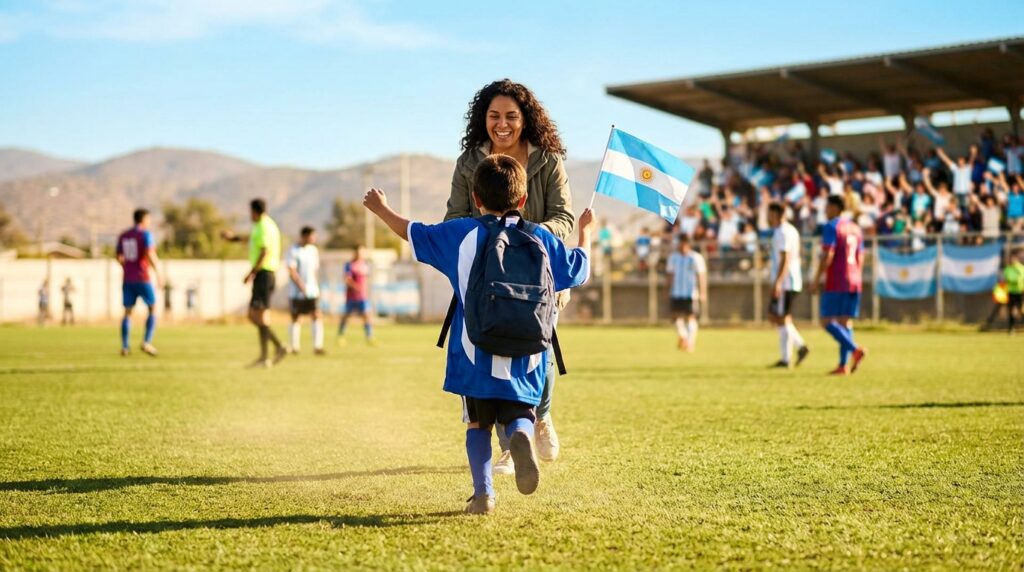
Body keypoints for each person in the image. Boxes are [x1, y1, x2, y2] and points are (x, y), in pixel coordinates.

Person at [362, 154, 593, 515]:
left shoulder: (462, 234)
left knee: (478, 423)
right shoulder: (542, 238)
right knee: (521, 412)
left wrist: (381, 208)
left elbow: (411, 231)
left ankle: (484, 495)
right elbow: (579, 271)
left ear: (475, 197)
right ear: (522, 199)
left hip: (473, 353)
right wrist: (587, 232)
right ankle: (520, 433)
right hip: (527, 354)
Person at [444, 79, 573, 470]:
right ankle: (509, 444)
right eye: (494, 116)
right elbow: (454, 216)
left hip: (538, 272)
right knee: (490, 355)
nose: (502, 124)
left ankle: (541, 417)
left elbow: (563, 216)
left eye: (511, 116)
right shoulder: (469, 161)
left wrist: (529, 236)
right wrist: (486, 237)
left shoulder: (548, 160)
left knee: (541, 349)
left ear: (525, 118)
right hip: (485, 276)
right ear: (483, 118)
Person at [221, 199, 286, 368]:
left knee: (258, 315)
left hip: (264, 274)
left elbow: (264, 251)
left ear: (255, 211)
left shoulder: (264, 226)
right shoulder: (262, 225)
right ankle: (272, 351)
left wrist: (251, 273)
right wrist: (233, 238)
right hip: (264, 274)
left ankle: (272, 352)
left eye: (250, 212)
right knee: (255, 315)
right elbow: (250, 239)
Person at [811, 196, 867, 375]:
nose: (825, 211)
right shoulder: (856, 228)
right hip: (854, 280)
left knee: (826, 321)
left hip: (837, 280)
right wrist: (857, 276)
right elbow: (861, 257)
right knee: (845, 322)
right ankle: (843, 365)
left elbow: (828, 255)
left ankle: (855, 349)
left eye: (827, 207)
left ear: (835, 207)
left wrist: (816, 278)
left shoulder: (832, 226)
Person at [767, 202, 809, 368]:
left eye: (770, 214)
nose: (768, 217)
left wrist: (778, 281)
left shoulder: (782, 231)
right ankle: (800, 347)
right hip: (790, 280)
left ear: (777, 214)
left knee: (781, 318)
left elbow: (786, 257)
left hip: (786, 282)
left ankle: (786, 358)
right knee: (777, 317)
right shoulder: (789, 230)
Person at [116, 208, 162, 356]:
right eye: (149, 219)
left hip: (127, 278)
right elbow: (149, 254)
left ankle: (125, 346)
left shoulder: (124, 235)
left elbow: (118, 256)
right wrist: (159, 273)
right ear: (143, 220)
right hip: (142, 277)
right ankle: (146, 342)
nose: (150, 222)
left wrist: (126, 267)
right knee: (153, 307)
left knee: (128, 312)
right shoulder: (145, 234)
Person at [286, 226, 325, 355]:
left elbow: (314, 271)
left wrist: (314, 287)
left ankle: (317, 346)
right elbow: (292, 271)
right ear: (304, 236)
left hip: (312, 290)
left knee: (316, 315)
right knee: (296, 317)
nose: (314, 239)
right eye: (311, 236)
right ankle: (294, 347)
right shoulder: (293, 250)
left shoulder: (313, 250)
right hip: (297, 292)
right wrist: (301, 286)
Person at [666, 235, 706, 352]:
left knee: (691, 317)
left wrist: (703, 292)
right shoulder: (673, 258)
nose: (683, 246)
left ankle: (690, 342)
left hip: (691, 293)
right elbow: (670, 274)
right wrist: (668, 289)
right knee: (675, 316)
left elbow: (701, 275)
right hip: (676, 291)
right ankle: (683, 336)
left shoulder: (696, 257)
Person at [336, 245, 374, 346]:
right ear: (354, 252)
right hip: (351, 296)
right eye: (358, 252)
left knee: (367, 315)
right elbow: (347, 279)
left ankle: (369, 337)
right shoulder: (349, 264)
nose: (360, 254)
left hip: (363, 296)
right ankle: (340, 336)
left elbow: (366, 279)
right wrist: (355, 286)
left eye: (362, 252)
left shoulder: (365, 264)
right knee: (346, 316)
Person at [1004, 248, 1024, 334]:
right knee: (1011, 310)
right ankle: (1011, 328)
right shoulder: (1008, 268)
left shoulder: (1021, 268)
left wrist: (1015, 280)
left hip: (1020, 291)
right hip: (1011, 291)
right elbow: (1008, 278)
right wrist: (1014, 280)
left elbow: (1020, 278)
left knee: (1021, 309)